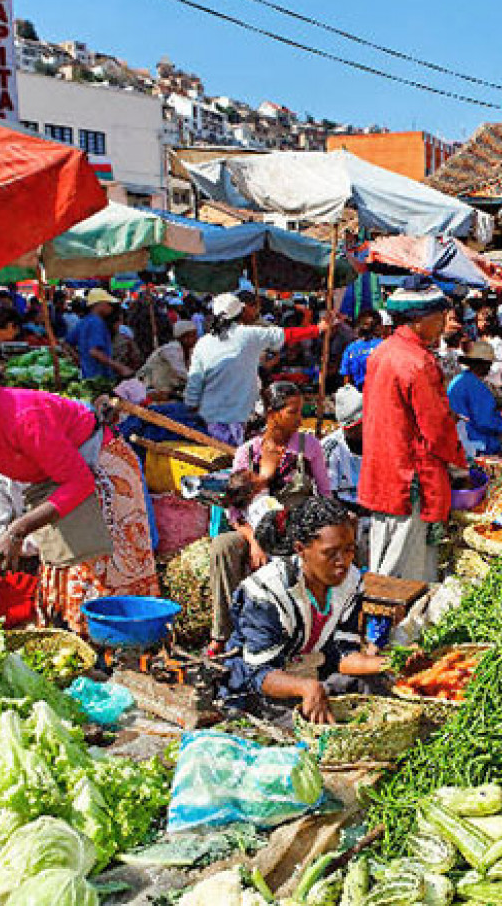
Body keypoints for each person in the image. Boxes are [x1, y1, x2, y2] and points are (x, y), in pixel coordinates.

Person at [0, 341, 159, 635]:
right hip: (54, 480)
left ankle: (124, 643)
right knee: (64, 571)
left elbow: (79, 481)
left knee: (105, 575)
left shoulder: (20, 415)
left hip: (101, 469)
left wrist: (17, 531)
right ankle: (76, 639)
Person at [222, 497, 386, 722]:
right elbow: (258, 673)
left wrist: (390, 664)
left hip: (309, 672)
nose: (343, 561)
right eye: (330, 553)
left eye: (349, 550)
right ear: (301, 549)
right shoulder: (268, 592)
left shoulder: (351, 582)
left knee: (374, 690)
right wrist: (307, 688)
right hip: (257, 689)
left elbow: (343, 653)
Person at [206, 382, 332, 655]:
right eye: (293, 412)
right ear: (273, 414)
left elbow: (324, 494)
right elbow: (234, 511)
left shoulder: (309, 446)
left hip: (296, 531)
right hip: (254, 530)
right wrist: (255, 542)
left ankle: (289, 633)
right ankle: (224, 633)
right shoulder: (248, 453)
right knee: (222, 547)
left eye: (301, 412)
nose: (299, 419)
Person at [359, 279, 467, 582]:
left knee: (384, 562)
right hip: (411, 479)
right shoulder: (419, 362)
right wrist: (461, 465)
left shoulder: (382, 352)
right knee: (408, 574)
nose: (444, 323)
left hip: (383, 472)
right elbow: (437, 430)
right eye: (440, 316)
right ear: (419, 319)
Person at [185, 292, 328, 446]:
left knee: (223, 444)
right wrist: (318, 328)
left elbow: (195, 378)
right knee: (236, 445)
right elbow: (287, 335)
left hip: (213, 408)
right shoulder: (248, 334)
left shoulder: (203, 342)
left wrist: (192, 402)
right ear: (240, 313)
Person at [448, 341, 502, 456]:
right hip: (476, 444)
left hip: (460, 441)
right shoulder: (475, 386)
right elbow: (485, 421)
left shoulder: (460, 380)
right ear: (482, 364)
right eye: (489, 364)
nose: (489, 368)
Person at [64, 289, 133, 381]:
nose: (111, 308)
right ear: (100, 304)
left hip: (86, 375)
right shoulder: (97, 323)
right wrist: (121, 368)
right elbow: (94, 352)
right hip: (99, 377)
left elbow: (66, 343)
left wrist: (79, 361)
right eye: (109, 304)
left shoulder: (84, 321)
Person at [137, 319, 198, 400]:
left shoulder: (188, 350)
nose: (196, 338)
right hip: (150, 386)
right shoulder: (172, 349)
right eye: (193, 335)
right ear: (184, 337)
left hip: (168, 387)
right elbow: (181, 372)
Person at [339, 310, 383, 390]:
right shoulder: (384, 346)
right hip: (377, 392)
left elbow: (346, 378)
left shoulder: (351, 348)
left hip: (357, 393)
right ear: (378, 327)